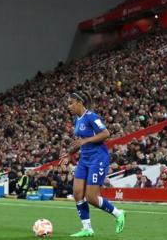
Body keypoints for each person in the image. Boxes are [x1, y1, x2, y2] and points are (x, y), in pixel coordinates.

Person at [60, 91, 126, 237]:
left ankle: (119, 213)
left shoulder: (91, 117)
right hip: (84, 159)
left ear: (79, 103)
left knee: (91, 198)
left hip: (98, 159)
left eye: (71, 103)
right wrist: (69, 153)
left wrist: (85, 141)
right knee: (77, 193)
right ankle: (87, 228)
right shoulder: (78, 119)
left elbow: (105, 133)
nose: (69, 106)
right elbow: (80, 142)